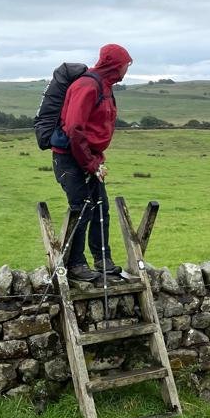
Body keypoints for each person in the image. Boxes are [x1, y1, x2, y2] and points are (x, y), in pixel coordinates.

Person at [51, 44, 133, 283]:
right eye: (125, 64)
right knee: (82, 207)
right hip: (70, 157)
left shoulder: (105, 87)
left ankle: (102, 259)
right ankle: (75, 263)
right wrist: (90, 163)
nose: (127, 69)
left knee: (100, 206)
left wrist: (95, 160)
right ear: (115, 65)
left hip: (90, 156)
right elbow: (74, 129)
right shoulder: (87, 86)